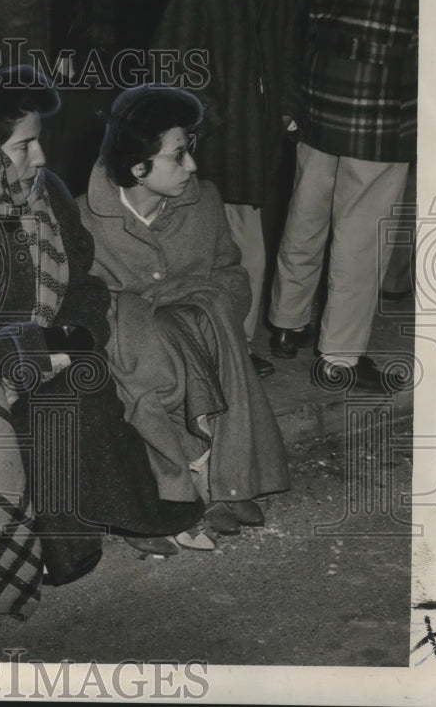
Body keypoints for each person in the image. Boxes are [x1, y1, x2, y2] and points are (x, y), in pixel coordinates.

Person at [0, 68, 204, 563]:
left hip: (55, 349)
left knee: (87, 384)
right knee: (51, 413)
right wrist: (32, 355)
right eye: (23, 147)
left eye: (38, 143)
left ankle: (133, 513)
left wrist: (72, 337)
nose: (40, 157)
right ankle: (47, 539)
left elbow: (83, 281)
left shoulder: (47, 192)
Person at [77, 85, 290, 536]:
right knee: (152, 350)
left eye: (188, 151)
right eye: (178, 156)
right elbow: (88, 303)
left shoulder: (204, 199)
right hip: (136, 352)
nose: (191, 166)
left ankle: (223, 475)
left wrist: (209, 308)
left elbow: (230, 272)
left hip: (201, 331)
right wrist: (151, 321)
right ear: (138, 168)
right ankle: (201, 479)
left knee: (200, 326)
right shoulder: (85, 219)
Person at [266, 0, 418, 394]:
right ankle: (339, 358)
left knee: (305, 210)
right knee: (362, 230)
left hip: (320, 82)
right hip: (384, 93)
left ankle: (286, 324)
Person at [151, 0, 302, 379]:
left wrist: (284, 109)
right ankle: (201, 350)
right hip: (210, 146)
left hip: (256, 146)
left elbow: (290, 55)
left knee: (247, 253)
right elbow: (169, 64)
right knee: (199, 253)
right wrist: (211, 118)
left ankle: (234, 347)